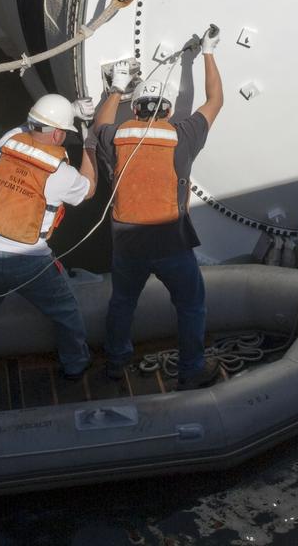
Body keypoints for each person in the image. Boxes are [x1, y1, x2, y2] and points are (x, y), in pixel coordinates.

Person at [89, 26, 224, 390]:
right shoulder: (182, 137)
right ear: (167, 110)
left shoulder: (115, 138)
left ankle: (116, 364)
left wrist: (114, 90)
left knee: (122, 303)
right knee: (191, 306)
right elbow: (214, 102)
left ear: (134, 108)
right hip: (171, 244)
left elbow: (99, 124)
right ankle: (191, 369)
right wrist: (207, 54)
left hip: (128, 245)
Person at [0, 93, 98, 396]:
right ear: (60, 134)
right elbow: (88, 189)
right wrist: (89, 143)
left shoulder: (5, 143)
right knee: (65, 311)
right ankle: (75, 364)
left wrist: (69, 111)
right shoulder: (60, 174)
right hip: (30, 261)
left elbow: (27, 128)